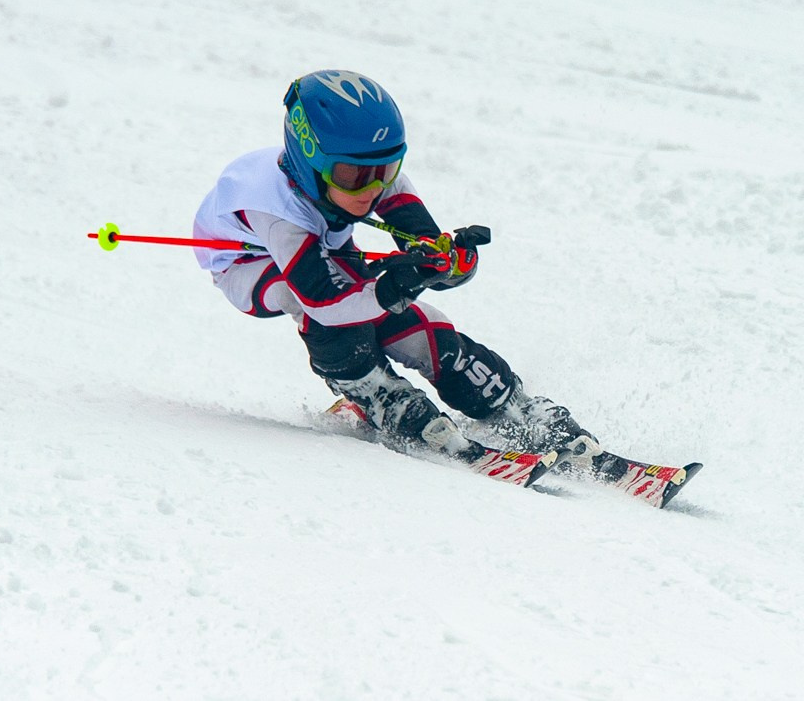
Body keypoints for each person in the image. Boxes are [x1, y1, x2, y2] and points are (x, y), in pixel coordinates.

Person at [192, 69, 602, 483]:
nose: (372, 189)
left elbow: (425, 246)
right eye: (353, 176)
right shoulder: (279, 215)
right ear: (311, 162)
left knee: (401, 315)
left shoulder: (362, 175)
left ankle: (507, 401)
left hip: (325, 241)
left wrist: (450, 262)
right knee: (320, 306)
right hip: (247, 265)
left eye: (387, 168)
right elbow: (325, 304)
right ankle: (375, 391)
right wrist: (388, 291)